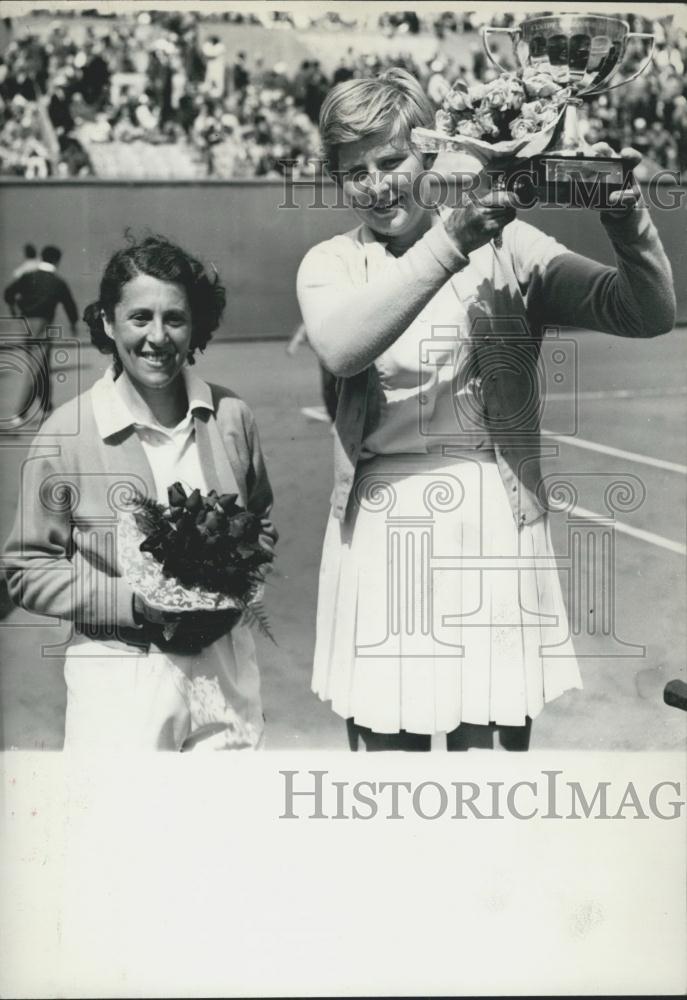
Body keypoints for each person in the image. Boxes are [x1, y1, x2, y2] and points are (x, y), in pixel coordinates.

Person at [296, 69, 676, 752]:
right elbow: (341, 350)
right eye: (354, 171)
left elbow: (644, 313)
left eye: (391, 160)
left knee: (491, 767)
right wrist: (450, 242)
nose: (376, 184)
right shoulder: (329, 263)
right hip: (383, 525)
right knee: (393, 768)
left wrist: (624, 214)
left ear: (430, 155)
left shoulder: (510, 245)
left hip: (491, 514)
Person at [3, 235, 277, 751]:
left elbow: (259, 522)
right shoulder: (68, 431)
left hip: (226, 668)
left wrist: (244, 559)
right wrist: (136, 603)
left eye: (175, 318)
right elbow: (26, 568)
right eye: (140, 317)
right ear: (108, 322)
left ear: (194, 325)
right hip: (120, 678)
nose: (158, 337)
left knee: (228, 829)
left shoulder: (232, 415)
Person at [3, 244, 79, 423]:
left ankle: (46, 406)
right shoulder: (57, 282)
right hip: (43, 326)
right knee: (36, 367)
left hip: (26, 325)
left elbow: (8, 293)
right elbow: (69, 305)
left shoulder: (28, 276)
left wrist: (15, 309)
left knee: (41, 366)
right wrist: (73, 323)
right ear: (57, 260)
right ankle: (20, 413)